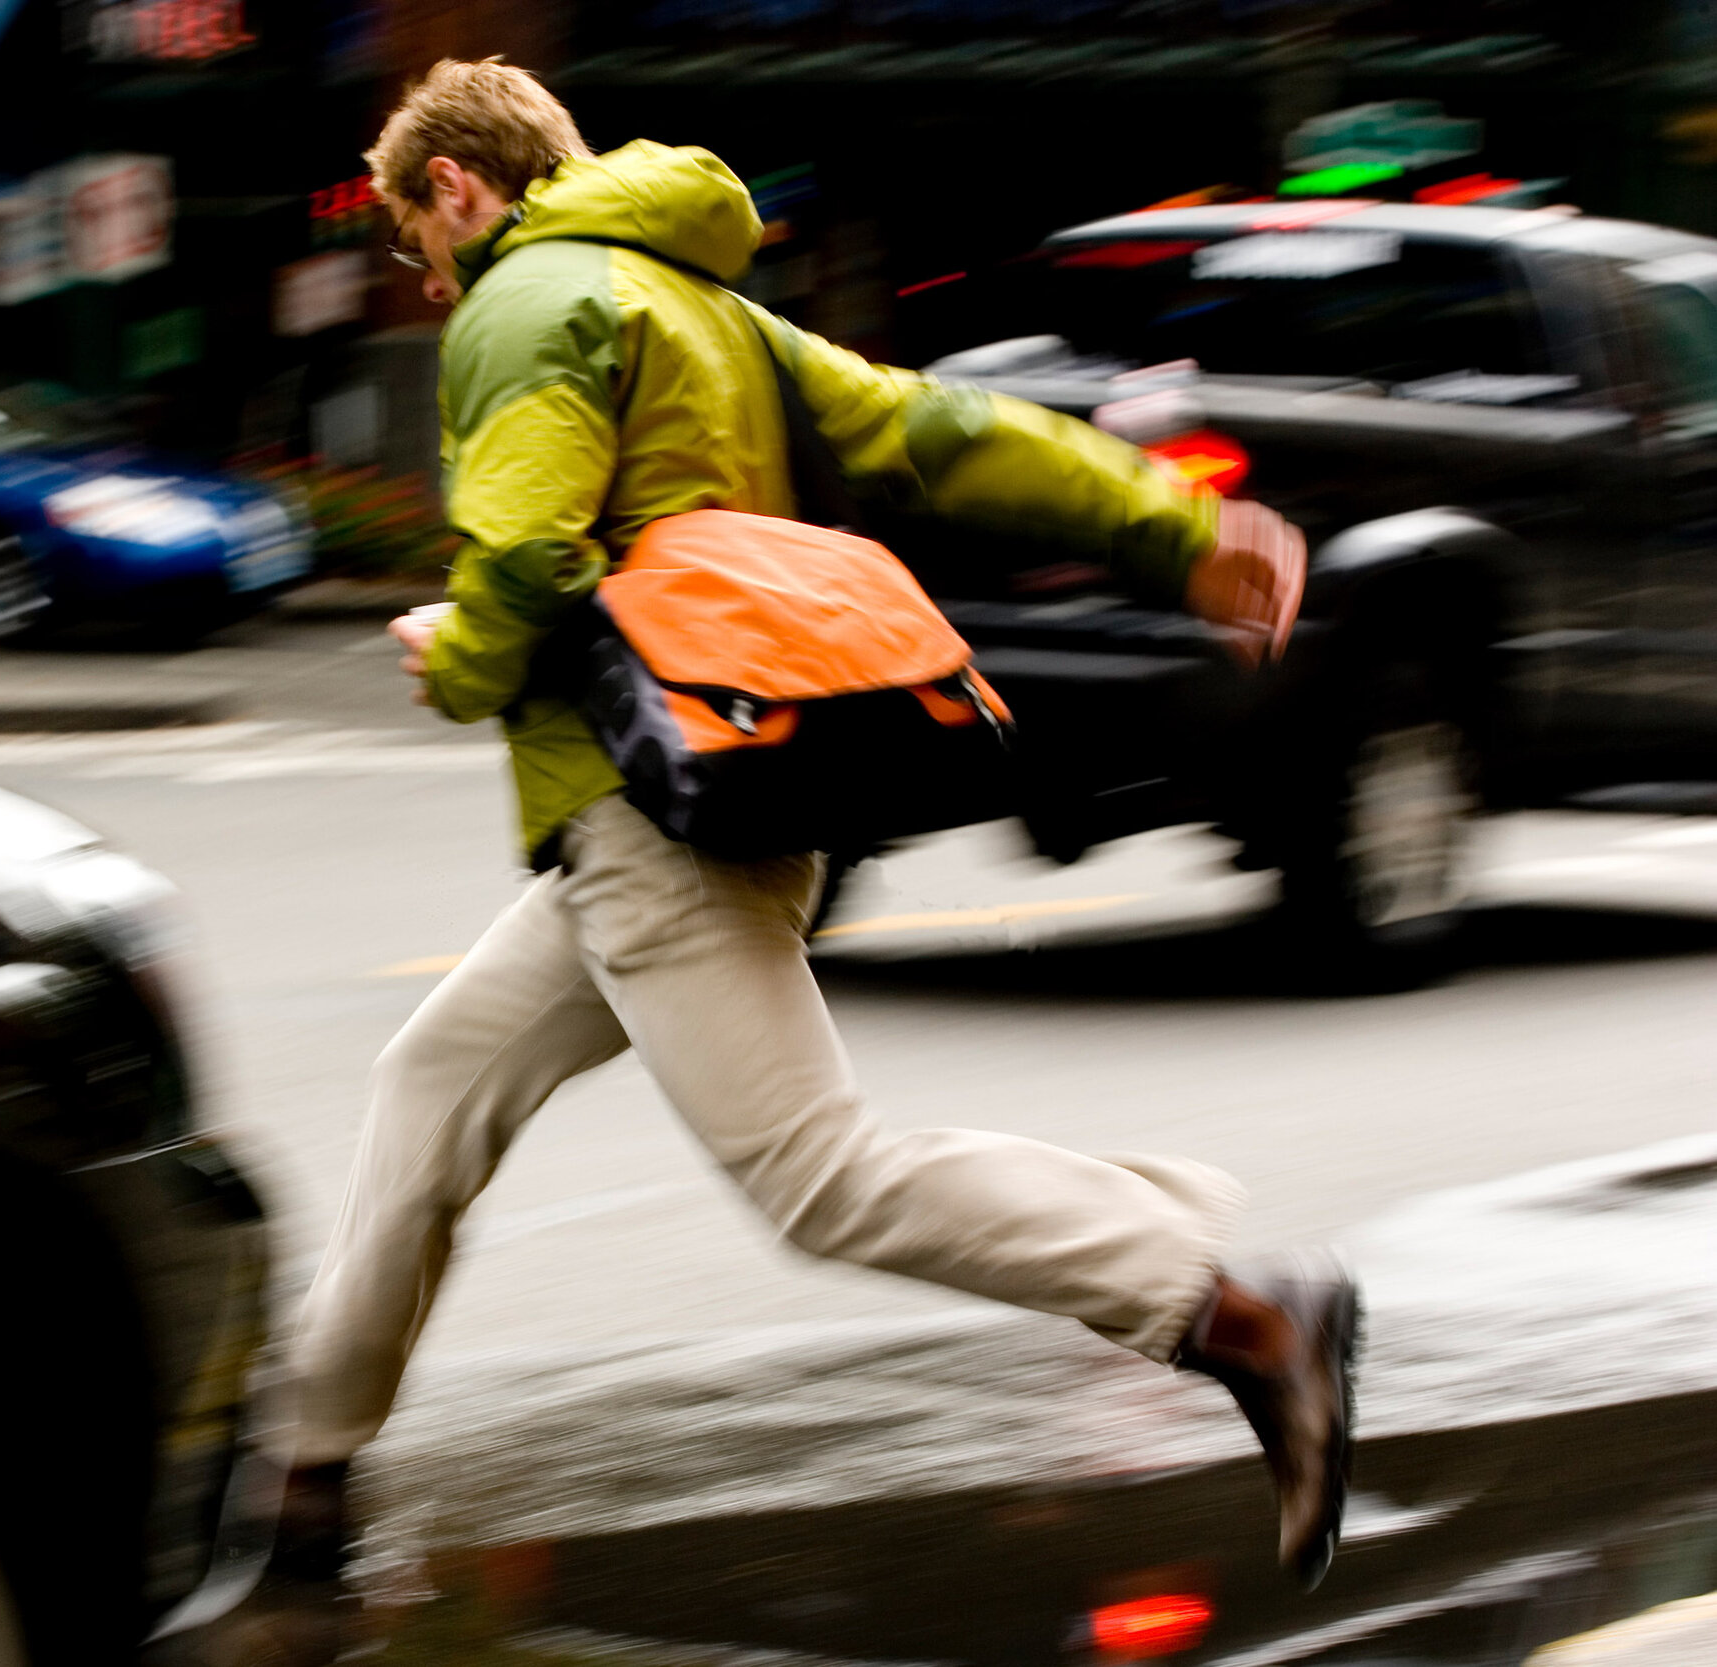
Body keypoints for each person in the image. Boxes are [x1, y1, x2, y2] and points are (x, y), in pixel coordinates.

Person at [270, 57, 1352, 1598]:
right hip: (724, 779)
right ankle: (306, 1470)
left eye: (415, 246)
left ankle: (1234, 1310)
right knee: (432, 1085)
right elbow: (944, 427)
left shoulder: (531, 302)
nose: (427, 280)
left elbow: (520, 563)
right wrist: (1167, 523)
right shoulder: (710, 309)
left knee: (813, 1178)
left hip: (658, 811)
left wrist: (456, 658)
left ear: (454, 187)